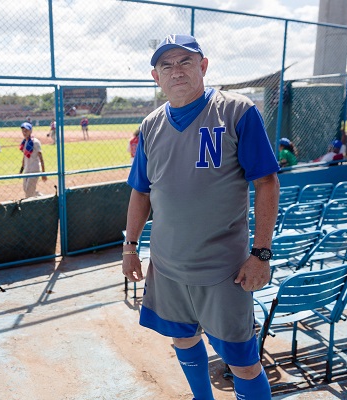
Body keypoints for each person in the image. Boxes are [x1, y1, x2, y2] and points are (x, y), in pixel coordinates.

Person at [123, 34, 280, 400]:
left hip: (223, 269)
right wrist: (130, 246)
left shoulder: (237, 110)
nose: (176, 71)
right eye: (167, 65)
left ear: (203, 66)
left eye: (185, 62)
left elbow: (267, 183)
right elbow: (141, 192)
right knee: (183, 337)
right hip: (167, 265)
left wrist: (261, 254)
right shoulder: (150, 125)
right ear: (155, 76)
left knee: (242, 361)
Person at [19, 122, 47, 198]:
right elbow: (24, 156)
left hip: (35, 169)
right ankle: (42, 197)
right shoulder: (25, 142)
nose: (24, 132)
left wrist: (43, 173)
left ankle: (29, 206)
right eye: (23, 131)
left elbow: (41, 157)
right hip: (27, 169)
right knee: (26, 189)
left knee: (28, 192)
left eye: (26, 131)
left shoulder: (35, 142)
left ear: (31, 131)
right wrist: (21, 169)